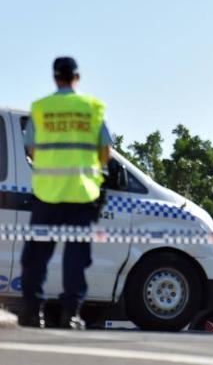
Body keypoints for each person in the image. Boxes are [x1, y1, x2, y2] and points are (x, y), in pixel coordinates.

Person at [18, 57, 112, 329]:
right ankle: (71, 315)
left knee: (36, 257)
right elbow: (105, 151)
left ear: (55, 77)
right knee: (76, 258)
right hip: (82, 195)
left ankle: (33, 312)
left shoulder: (41, 108)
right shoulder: (91, 108)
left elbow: (31, 149)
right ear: (77, 76)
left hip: (47, 194)